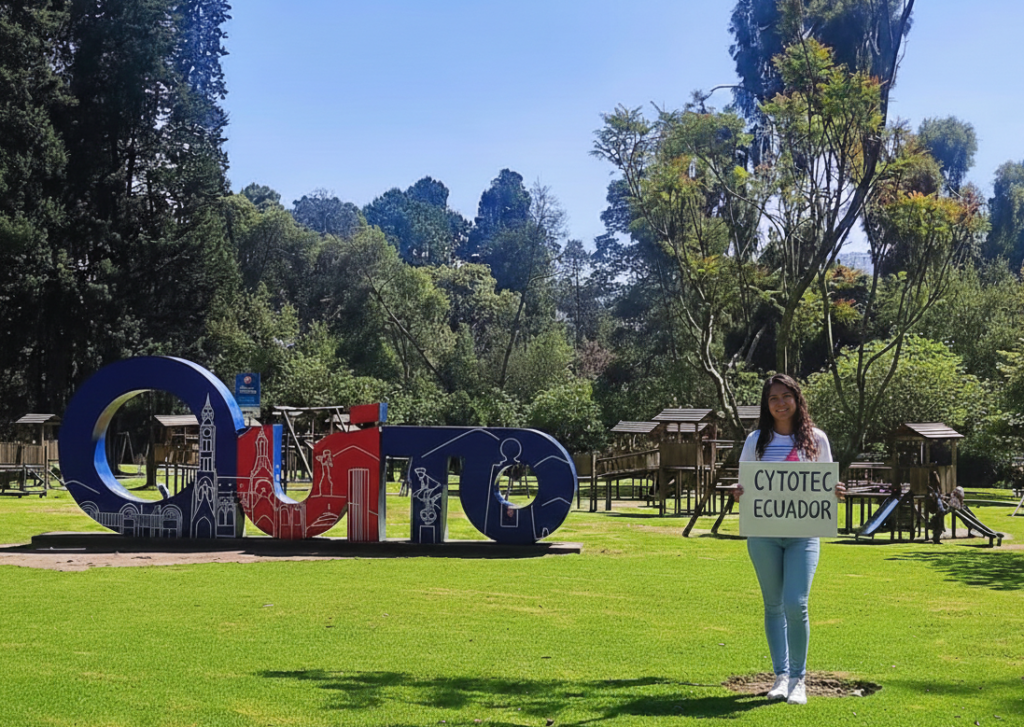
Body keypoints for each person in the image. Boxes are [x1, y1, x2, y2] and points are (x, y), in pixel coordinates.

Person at [733, 373, 846, 705]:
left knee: (796, 603)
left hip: (803, 536)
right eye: (773, 398)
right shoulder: (756, 440)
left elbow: (826, 485)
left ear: (797, 399)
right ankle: (780, 677)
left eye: (786, 396)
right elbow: (743, 485)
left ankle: (799, 679)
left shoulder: (817, 439)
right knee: (773, 605)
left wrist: (836, 491)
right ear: (766, 405)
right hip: (764, 536)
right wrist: (737, 492)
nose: (780, 403)